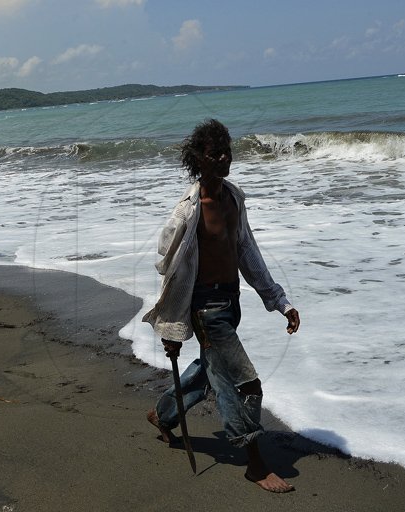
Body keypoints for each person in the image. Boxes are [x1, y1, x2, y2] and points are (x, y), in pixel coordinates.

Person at [142, 119, 301, 493]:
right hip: (205, 308)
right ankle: (254, 461)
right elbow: (170, 270)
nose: (225, 158)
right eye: (215, 153)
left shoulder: (234, 197)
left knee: (210, 369)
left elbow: (247, 252)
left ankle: (162, 415)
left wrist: (281, 301)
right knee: (246, 383)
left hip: (231, 301)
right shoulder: (187, 212)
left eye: (227, 150)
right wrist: (171, 329)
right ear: (199, 158)